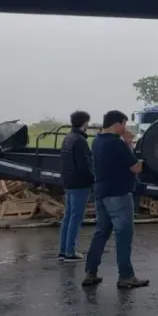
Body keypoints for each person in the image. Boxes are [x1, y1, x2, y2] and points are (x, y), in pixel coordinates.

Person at [82, 110, 149, 289]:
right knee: (123, 234)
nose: (124, 128)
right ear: (116, 124)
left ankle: (90, 271)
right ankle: (126, 276)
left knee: (101, 232)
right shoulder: (117, 144)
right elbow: (135, 168)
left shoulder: (96, 141)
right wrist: (129, 144)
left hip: (101, 191)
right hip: (118, 193)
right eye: (123, 125)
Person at [58, 110, 93, 262]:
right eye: (87, 122)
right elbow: (84, 165)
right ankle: (70, 251)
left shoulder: (68, 138)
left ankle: (63, 250)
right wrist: (93, 179)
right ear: (84, 123)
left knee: (68, 216)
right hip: (79, 183)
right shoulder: (79, 140)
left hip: (68, 182)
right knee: (75, 217)